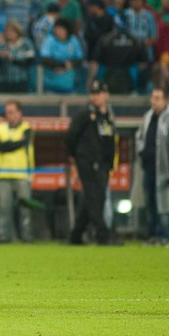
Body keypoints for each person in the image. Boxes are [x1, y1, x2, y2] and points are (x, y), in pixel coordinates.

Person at [66, 80, 116, 245]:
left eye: (99, 93)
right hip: (87, 161)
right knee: (95, 198)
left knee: (92, 198)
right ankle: (103, 235)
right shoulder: (84, 114)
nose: (96, 97)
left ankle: (76, 235)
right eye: (93, 94)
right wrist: (75, 155)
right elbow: (71, 135)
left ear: (106, 94)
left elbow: (109, 139)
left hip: (103, 162)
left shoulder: (107, 115)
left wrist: (110, 161)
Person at [135, 86, 169, 246]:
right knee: (150, 202)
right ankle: (153, 235)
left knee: (163, 203)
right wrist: (141, 151)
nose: (154, 101)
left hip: (164, 168)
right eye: (153, 97)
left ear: (165, 100)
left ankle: (164, 235)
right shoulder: (148, 116)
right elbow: (141, 137)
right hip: (149, 167)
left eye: (157, 98)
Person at [0, 101, 34, 243]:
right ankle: (2, 237)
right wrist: (14, 143)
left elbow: (19, 143)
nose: (9, 115)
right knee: (3, 209)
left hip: (22, 174)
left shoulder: (27, 129)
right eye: (7, 112)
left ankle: (26, 237)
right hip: (3, 174)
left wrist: (7, 144)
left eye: (12, 112)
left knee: (25, 209)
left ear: (19, 113)